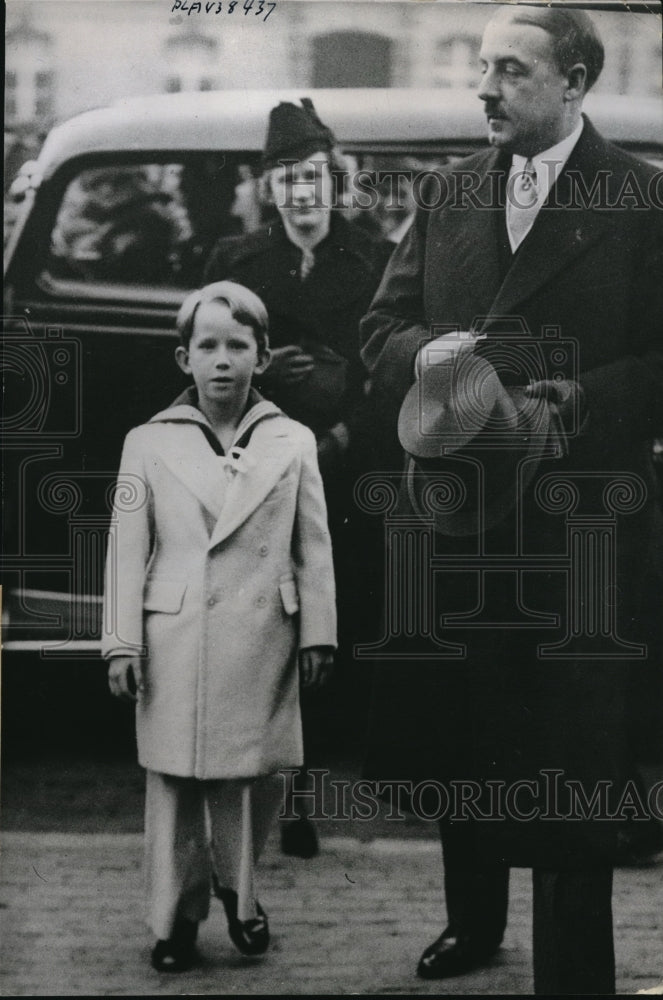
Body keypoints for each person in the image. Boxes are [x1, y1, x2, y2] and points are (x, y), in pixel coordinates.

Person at [360, 5, 663, 995]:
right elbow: (383, 327)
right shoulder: (449, 192)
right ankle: (474, 922)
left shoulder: (640, 197)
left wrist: (582, 402)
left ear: (574, 84)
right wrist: (422, 353)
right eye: (481, 67)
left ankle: (575, 973)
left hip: (585, 526)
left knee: (575, 753)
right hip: (462, 517)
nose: (482, 88)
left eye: (511, 71)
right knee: (470, 727)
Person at [102, 280, 336, 972]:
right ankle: (174, 919)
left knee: (247, 777)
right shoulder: (146, 442)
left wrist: (319, 630)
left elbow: (313, 544)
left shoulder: (290, 441)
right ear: (184, 359)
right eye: (208, 346)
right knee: (174, 783)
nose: (222, 360)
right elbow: (125, 547)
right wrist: (121, 641)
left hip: (263, 632)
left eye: (238, 346)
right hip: (176, 635)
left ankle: (241, 894)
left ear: (262, 357)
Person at [205, 99, 393, 856]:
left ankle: (319, 786)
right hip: (259, 473)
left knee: (331, 625)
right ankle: (281, 793)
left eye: (313, 176)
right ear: (270, 188)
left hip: (346, 472)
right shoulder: (235, 261)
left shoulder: (376, 258)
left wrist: (345, 425)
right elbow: (202, 361)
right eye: (286, 179)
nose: (301, 193)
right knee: (266, 630)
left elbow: (398, 376)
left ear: (334, 179)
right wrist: (255, 386)